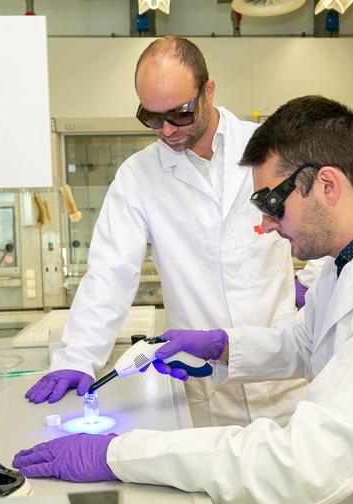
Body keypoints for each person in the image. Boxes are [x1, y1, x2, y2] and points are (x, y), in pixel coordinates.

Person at [13, 95, 353, 504]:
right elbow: (306, 345)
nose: (265, 226)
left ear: (326, 184)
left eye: (271, 204)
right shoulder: (350, 257)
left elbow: (306, 462)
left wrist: (117, 455)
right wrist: (223, 346)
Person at [25, 36, 324, 429]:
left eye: (179, 114)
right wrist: (78, 356)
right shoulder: (138, 176)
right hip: (207, 385)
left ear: (208, 91)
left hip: (287, 379)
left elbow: (329, 224)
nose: (165, 130)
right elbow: (110, 273)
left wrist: (314, 285)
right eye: (151, 117)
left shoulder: (271, 148)